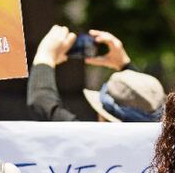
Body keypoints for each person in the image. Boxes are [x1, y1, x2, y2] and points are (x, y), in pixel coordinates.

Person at [28, 24, 164, 122]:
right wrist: (125, 65)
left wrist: (45, 55)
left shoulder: (93, 145)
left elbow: (42, 104)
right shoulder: (168, 146)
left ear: (104, 117)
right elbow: (146, 105)